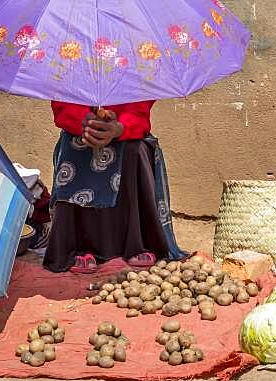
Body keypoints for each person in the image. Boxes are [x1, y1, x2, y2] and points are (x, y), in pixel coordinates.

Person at [43, 100, 185, 274]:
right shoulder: (67, 71)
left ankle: (137, 242)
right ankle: (80, 246)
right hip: (80, 130)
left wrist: (120, 127)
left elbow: (140, 105)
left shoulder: (139, 71)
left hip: (126, 130)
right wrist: (87, 123)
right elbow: (62, 102)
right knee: (76, 147)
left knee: (137, 149)